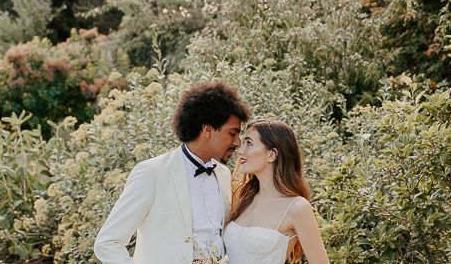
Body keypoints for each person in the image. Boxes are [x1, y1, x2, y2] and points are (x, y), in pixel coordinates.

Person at [94, 81, 251, 264]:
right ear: (207, 129)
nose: (238, 143)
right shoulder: (151, 173)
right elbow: (107, 243)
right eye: (232, 133)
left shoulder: (224, 174)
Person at [223, 119, 330, 264]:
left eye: (249, 143)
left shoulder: (297, 207)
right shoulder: (243, 197)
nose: (240, 151)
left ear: (271, 155)